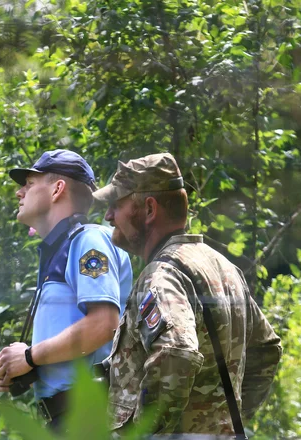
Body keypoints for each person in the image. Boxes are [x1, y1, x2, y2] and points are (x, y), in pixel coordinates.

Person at [91, 152, 282, 435]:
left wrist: (143, 430)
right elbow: (266, 350)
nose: (108, 217)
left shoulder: (162, 275)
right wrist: (226, 419)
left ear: (149, 209)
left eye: (116, 206)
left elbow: (175, 351)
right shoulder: (223, 266)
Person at [0, 149, 133, 428]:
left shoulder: (89, 240)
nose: (19, 193)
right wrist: (19, 364)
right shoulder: (63, 247)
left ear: (57, 189)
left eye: (29, 184)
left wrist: (30, 356)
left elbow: (103, 325)